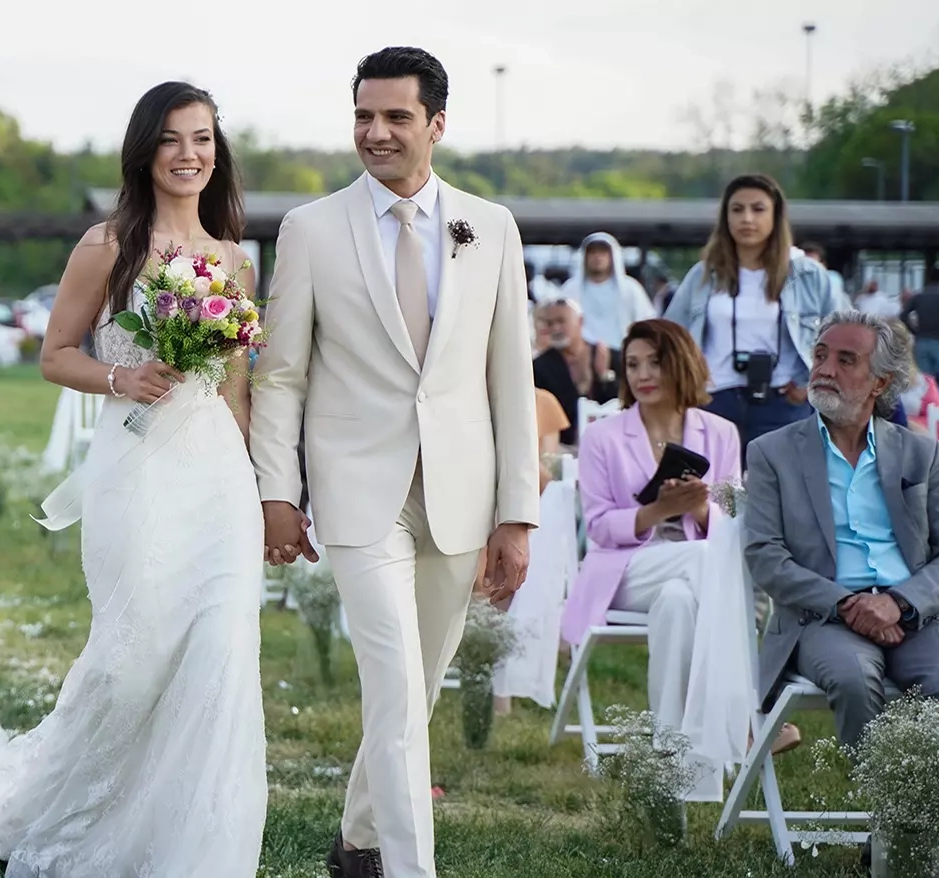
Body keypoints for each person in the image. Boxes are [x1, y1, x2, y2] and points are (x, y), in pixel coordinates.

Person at [0, 83, 268, 877]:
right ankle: (75, 812)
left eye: (203, 138)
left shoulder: (235, 259)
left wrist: (265, 492)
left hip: (218, 481)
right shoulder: (107, 245)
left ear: (219, 151)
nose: (189, 154)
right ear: (145, 151)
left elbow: (238, 386)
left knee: (222, 650)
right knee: (131, 659)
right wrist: (122, 380)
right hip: (135, 470)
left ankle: (199, 846)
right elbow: (55, 354)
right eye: (172, 139)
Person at [249, 46, 540, 878]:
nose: (375, 133)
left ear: (436, 125)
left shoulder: (491, 227)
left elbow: (508, 377)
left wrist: (516, 513)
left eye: (396, 117)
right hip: (355, 491)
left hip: (460, 497)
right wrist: (277, 490)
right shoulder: (310, 229)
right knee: (395, 688)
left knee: (413, 692)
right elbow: (282, 374)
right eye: (363, 116)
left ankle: (357, 844)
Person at [744, 312, 939, 864]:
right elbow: (765, 557)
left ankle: (916, 823)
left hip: (912, 610)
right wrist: (846, 602)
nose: (825, 369)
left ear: (881, 382)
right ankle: (889, 824)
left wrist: (898, 603)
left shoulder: (921, 453)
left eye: (846, 360)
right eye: (820, 355)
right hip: (821, 616)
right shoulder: (772, 451)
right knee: (851, 675)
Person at [559, 319, 767, 799]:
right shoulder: (603, 436)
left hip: (690, 574)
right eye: (632, 364)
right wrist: (657, 511)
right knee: (700, 562)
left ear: (681, 363)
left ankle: (674, 771)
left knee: (678, 603)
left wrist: (696, 507)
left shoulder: (720, 433)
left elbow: (732, 518)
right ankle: (748, 715)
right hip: (623, 571)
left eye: (654, 361)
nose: (642, 374)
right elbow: (597, 528)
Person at [664, 174, 844, 467]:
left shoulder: (808, 274)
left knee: (782, 500)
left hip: (785, 402)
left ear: (776, 216)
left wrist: (813, 382)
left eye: (758, 209)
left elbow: (845, 335)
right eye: (737, 209)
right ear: (725, 218)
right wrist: (689, 383)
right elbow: (669, 335)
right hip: (714, 400)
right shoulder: (703, 274)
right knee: (716, 499)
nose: (746, 218)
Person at [533, 297, 621, 447]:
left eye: (561, 321)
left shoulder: (608, 356)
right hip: (564, 446)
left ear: (580, 321)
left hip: (611, 442)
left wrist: (604, 376)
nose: (555, 328)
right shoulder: (540, 366)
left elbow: (623, 403)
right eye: (550, 323)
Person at [556, 231, 656, 348]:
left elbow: (646, 320)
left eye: (603, 252)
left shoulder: (630, 288)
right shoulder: (571, 288)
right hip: (581, 355)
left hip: (621, 352)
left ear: (612, 256)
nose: (597, 257)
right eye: (592, 252)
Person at [900, 264, 939, 406]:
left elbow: (903, 315)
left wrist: (914, 331)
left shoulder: (918, 297)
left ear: (927, 278)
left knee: (926, 379)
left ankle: (928, 407)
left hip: (921, 342)